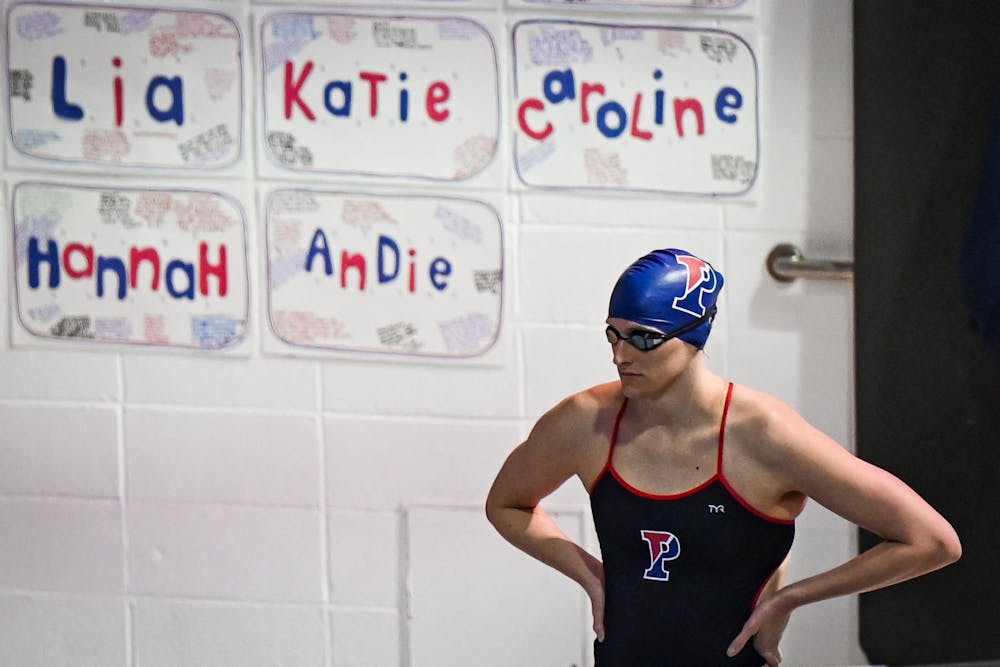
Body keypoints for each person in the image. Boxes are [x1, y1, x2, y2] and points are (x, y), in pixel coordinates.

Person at [485, 248, 961, 666]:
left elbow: (931, 540)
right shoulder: (586, 421)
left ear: (695, 335)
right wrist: (589, 573)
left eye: (645, 338)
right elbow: (506, 504)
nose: (621, 355)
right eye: (613, 334)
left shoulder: (763, 434)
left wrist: (790, 600)